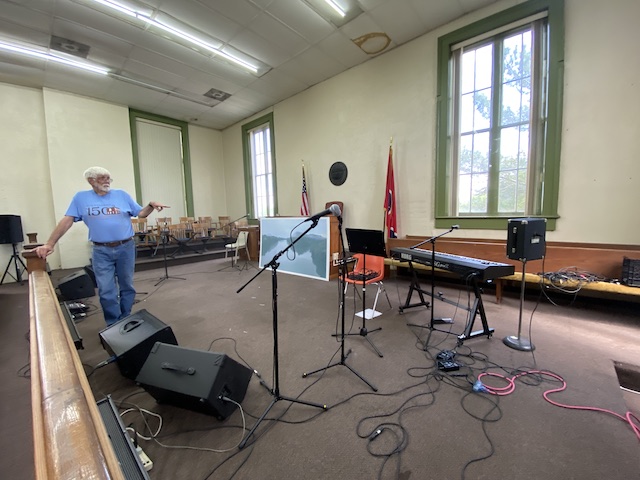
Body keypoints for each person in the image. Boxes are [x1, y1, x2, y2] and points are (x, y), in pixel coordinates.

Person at [35, 166, 169, 325]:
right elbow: (67, 221)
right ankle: (113, 324)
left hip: (125, 247)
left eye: (108, 178)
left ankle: (125, 318)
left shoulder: (121, 195)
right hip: (101, 250)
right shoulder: (80, 198)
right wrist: (49, 244)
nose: (107, 181)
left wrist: (151, 205)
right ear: (91, 180)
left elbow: (141, 214)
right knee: (106, 290)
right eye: (102, 178)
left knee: (127, 286)